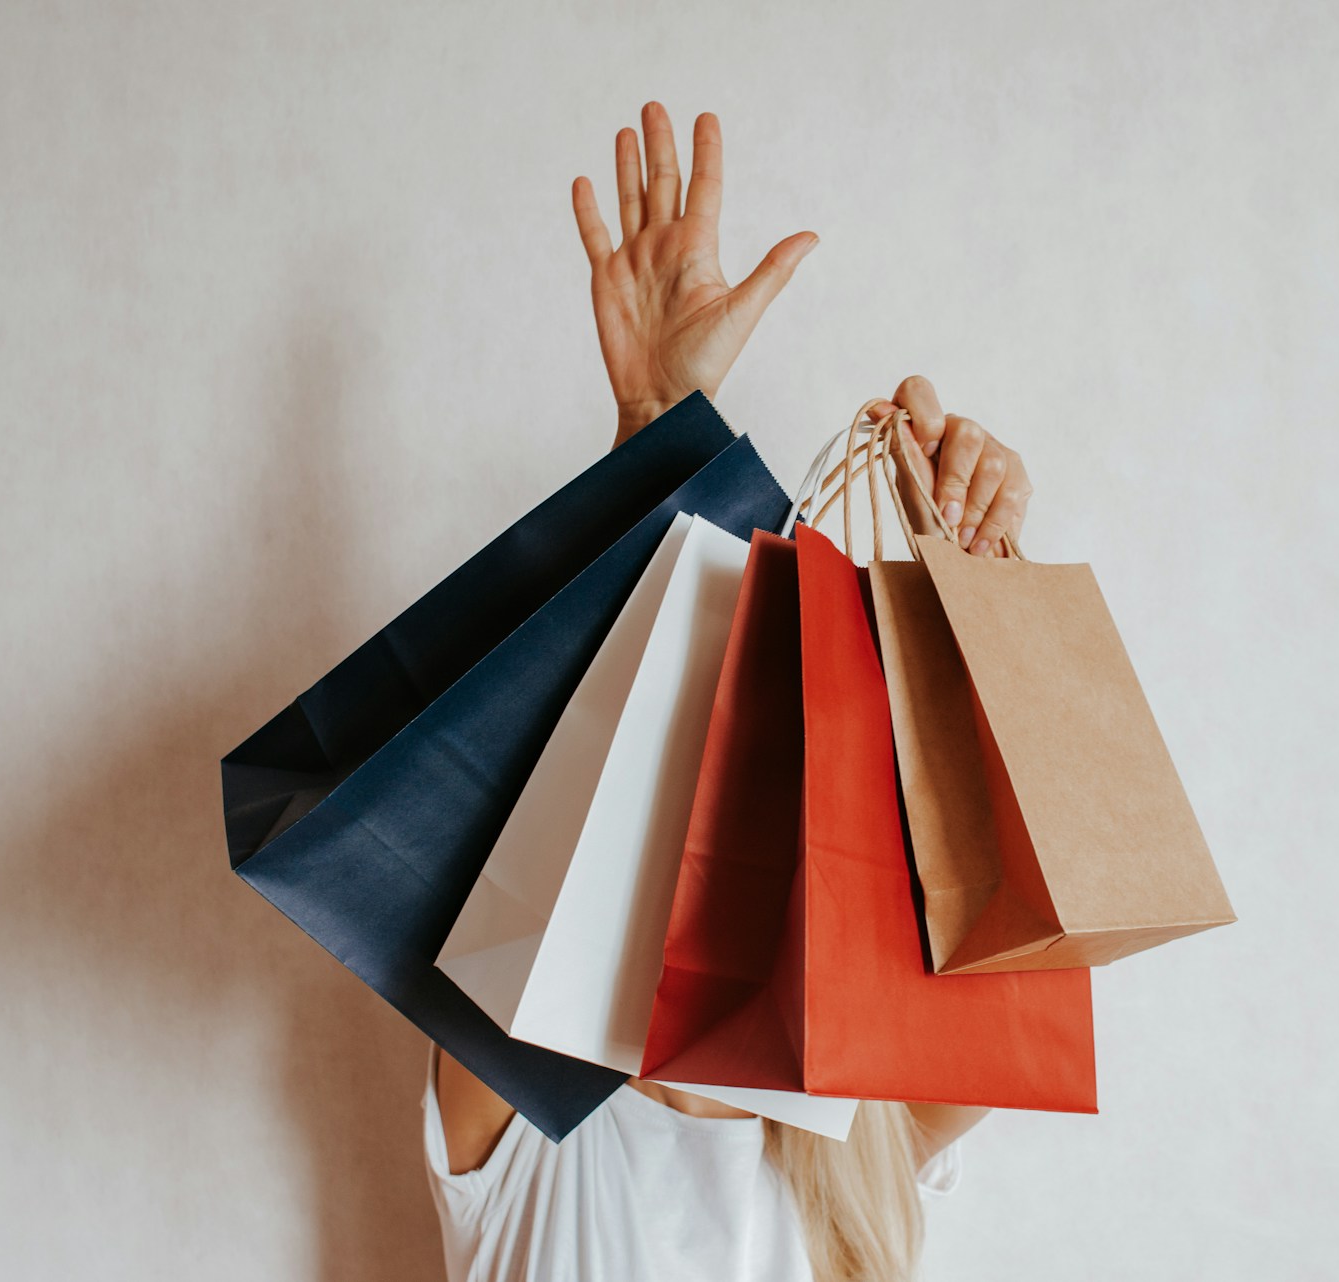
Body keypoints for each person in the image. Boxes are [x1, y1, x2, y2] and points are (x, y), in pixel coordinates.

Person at [425, 101, 1037, 1282]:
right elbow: (547, 779)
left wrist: (981, 589)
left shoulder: (871, 1142)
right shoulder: (532, 1125)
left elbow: (1015, 898)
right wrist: (653, 430)